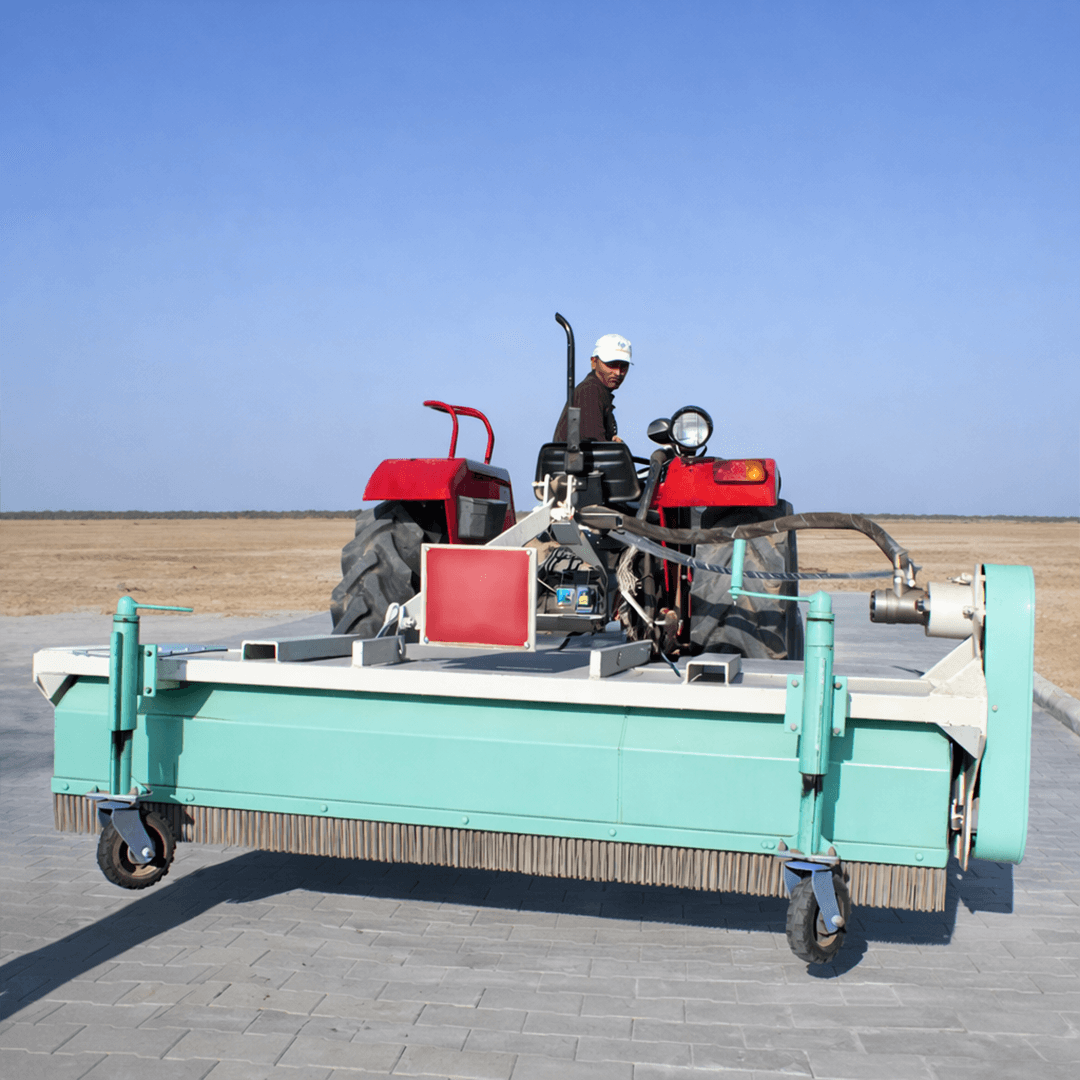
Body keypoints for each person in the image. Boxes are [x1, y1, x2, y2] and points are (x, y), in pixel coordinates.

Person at [553, 333, 632, 443]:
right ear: (594, 362)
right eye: (612, 364)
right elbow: (594, 444)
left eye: (623, 366)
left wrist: (613, 444)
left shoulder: (598, 392)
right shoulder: (590, 391)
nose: (618, 373)